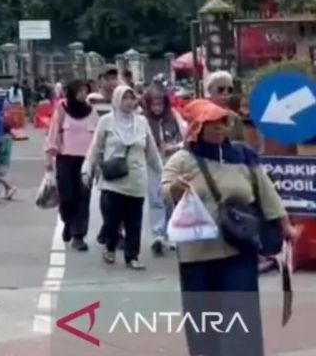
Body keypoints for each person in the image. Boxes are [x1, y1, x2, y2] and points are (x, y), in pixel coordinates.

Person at [162, 99, 298, 356]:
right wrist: (176, 189)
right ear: (196, 127)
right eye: (211, 123)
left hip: (238, 249)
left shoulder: (243, 156)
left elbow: (267, 194)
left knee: (241, 315)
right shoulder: (182, 159)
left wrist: (285, 226)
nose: (219, 128)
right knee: (204, 319)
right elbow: (166, 191)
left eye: (222, 122)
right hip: (197, 255)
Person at [82, 85, 161, 269]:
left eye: (131, 98)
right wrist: (87, 168)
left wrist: (163, 174)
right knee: (112, 220)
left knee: (134, 220)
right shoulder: (106, 122)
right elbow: (96, 148)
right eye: (124, 98)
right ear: (117, 100)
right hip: (113, 180)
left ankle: (132, 256)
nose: (129, 102)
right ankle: (109, 247)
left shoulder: (142, 122)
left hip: (137, 179)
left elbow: (151, 152)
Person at [45, 78, 99, 251]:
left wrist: (97, 162)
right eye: (80, 91)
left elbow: (98, 138)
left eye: (86, 91)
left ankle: (78, 235)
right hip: (65, 159)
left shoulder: (92, 112)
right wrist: (49, 158)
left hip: (86, 161)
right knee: (67, 197)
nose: (83, 94)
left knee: (83, 197)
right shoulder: (62, 109)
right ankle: (67, 221)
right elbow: (53, 132)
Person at [143, 84, 187, 256]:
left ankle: (170, 233)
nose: (157, 108)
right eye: (153, 104)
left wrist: (175, 147)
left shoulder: (174, 116)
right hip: (152, 162)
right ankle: (157, 234)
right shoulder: (144, 120)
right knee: (156, 198)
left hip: (172, 160)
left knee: (171, 198)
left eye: (160, 104)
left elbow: (184, 134)